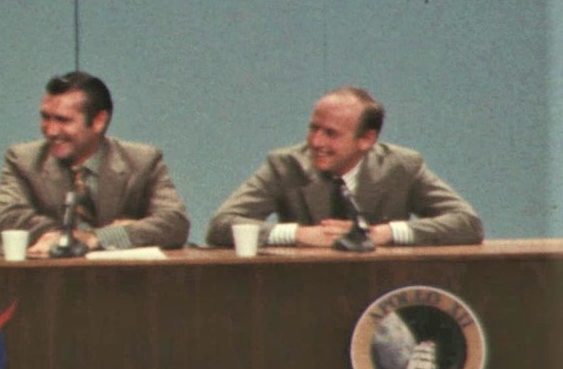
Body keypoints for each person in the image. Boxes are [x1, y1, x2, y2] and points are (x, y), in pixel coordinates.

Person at [206, 86, 484, 248]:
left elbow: (467, 223)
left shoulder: (402, 166)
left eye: (331, 133)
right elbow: (221, 226)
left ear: (366, 139)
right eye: (313, 129)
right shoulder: (285, 165)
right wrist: (300, 234)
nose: (316, 142)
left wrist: (388, 233)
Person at [0, 71, 190, 257]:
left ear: (98, 121)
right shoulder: (23, 160)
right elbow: (10, 218)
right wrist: (71, 238)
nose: (51, 131)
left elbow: (174, 223)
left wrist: (96, 237)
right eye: (45, 117)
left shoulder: (142, 161)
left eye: (63, 120)